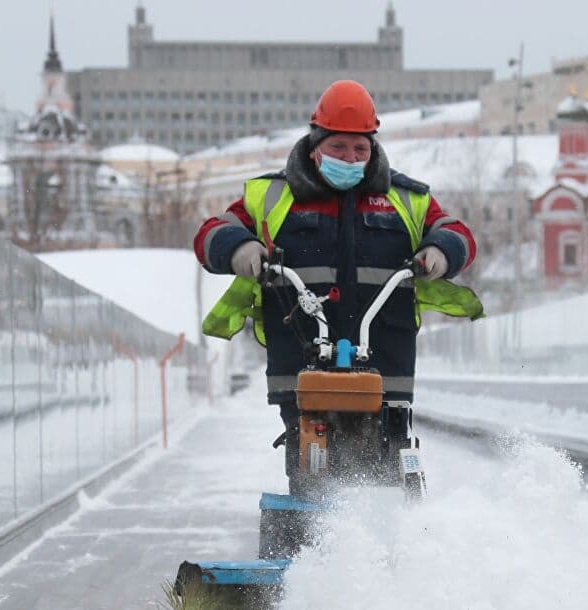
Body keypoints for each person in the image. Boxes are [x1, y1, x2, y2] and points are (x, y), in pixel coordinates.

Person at [194, 79, 480, 477]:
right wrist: (238, 247)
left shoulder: (406, 198)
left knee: (393, 456)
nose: (349, 158)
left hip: (385, 358)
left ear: (373, 148)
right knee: (310, 454)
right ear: (316, 146)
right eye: (338, 147)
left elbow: (458, 233)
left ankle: (405, 522)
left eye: (359, 148)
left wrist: (440, 251)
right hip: (301, 353)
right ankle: (311, 526)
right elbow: (210, 233)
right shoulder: (273, 195)